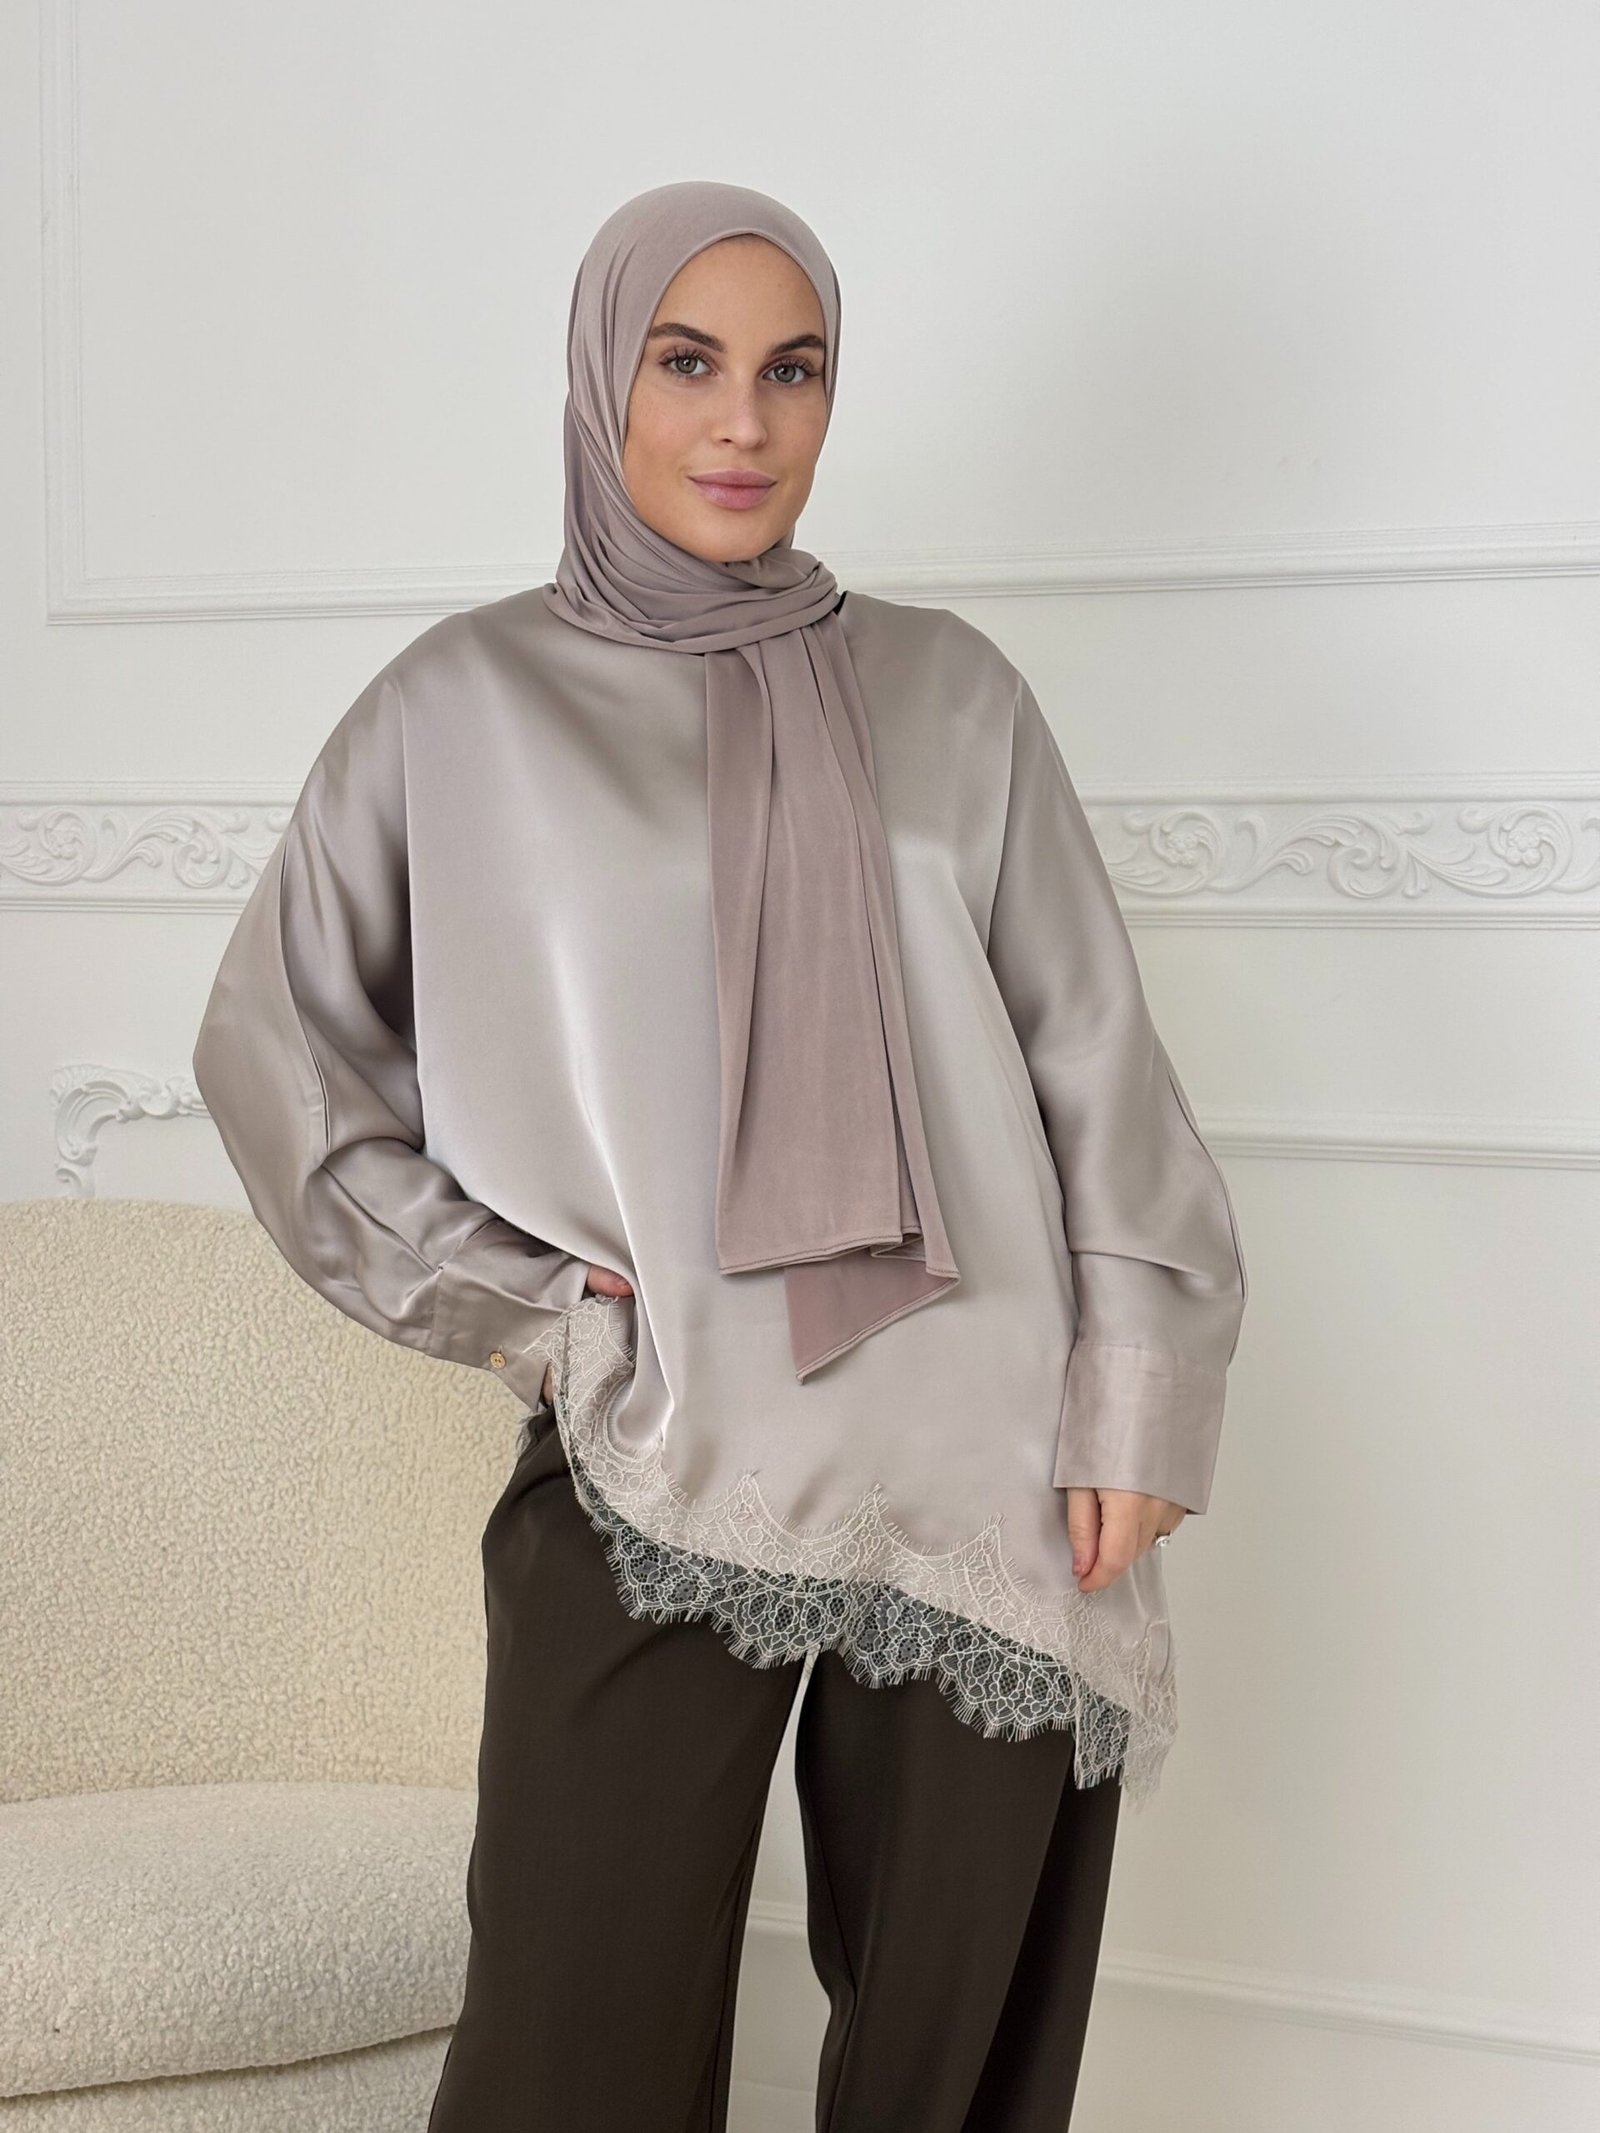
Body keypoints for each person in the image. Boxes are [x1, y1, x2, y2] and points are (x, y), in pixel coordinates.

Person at [192, 179, 1248, 2131]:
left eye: (794, 370)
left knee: (952, 2068)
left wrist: (1137, 1397)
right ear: (604, 376)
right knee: (568, 2052)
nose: (743, 423)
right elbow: (279, 1057)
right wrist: (529, 1304)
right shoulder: (462, 706)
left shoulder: (955, 693)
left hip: (987, 1455)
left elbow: (1095, 1067)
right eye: (687, 363)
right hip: (657, 1435)